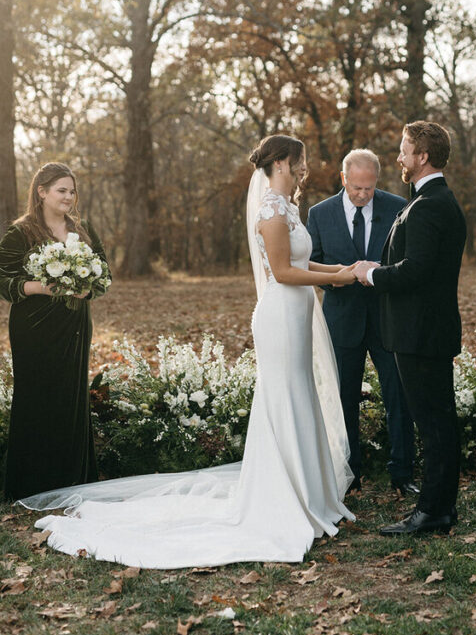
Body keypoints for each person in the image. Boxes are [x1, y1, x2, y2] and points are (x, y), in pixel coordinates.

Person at [21, 136, 358, 569]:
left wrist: (341, 271)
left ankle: (306, 491)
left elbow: (306, 265)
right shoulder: (271, 211)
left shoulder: (287, 207)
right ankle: (283, 497)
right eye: (299, 162)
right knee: (285, 397)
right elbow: (284, 271)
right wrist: (337, 281)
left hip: (296, 312)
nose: (303, 168)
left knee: (299, 394)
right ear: (281, 163)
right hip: (280, 315)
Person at [354, 121, 466, 536]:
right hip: (423, 330)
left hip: (421, 333)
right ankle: (440, 508)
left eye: (404, 150)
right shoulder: (428, 201)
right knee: (437, 421)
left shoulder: (431, 205)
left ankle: (433, 511)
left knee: (434, 424)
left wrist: (373, 275)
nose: (399, 158)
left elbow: (416, 270)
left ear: (422, 156)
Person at [307, 148, 415, 494]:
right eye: (356, 187)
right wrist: (337, 278)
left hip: (387, 320)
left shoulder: (399, 207)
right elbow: (311, 266)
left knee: (398, 396)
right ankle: (348, 475)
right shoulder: (319, 214)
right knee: (343, 398)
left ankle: (403, 474)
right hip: (341, 321)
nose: (362, 195)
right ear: (343, 179)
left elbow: (406, 264)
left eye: (368, 188)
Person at [0, 162, 109, 501]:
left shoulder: (84, 229)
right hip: (34, 328)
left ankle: (72, 478)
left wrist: (86, 288)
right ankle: (32, 484)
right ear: (42, 191)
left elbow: (104, 274)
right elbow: (4, 282)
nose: (69, 197)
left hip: (75, 326)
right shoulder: (20, 233)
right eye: (61, 190)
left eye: (72, 191)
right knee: (36, 397)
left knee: (71, 398)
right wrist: (40, 287)